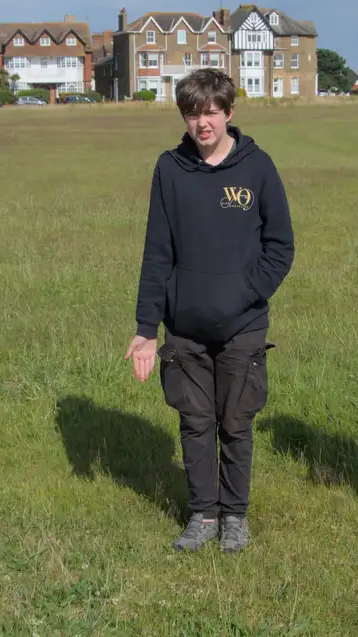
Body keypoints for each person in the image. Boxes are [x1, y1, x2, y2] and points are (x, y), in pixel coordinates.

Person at [125, 69, 294, 553]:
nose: (202, 123)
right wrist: (145, 329)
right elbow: (157, 252)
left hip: (243, 325)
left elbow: (281, 247)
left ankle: (235, 516)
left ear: (229, 113)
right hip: (185, 329)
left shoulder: (257, 167)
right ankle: (203, 514)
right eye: (193, 114)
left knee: (236, 423)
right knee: (195, 422)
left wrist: (245, 292)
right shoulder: (170, 169)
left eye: (211, 113)